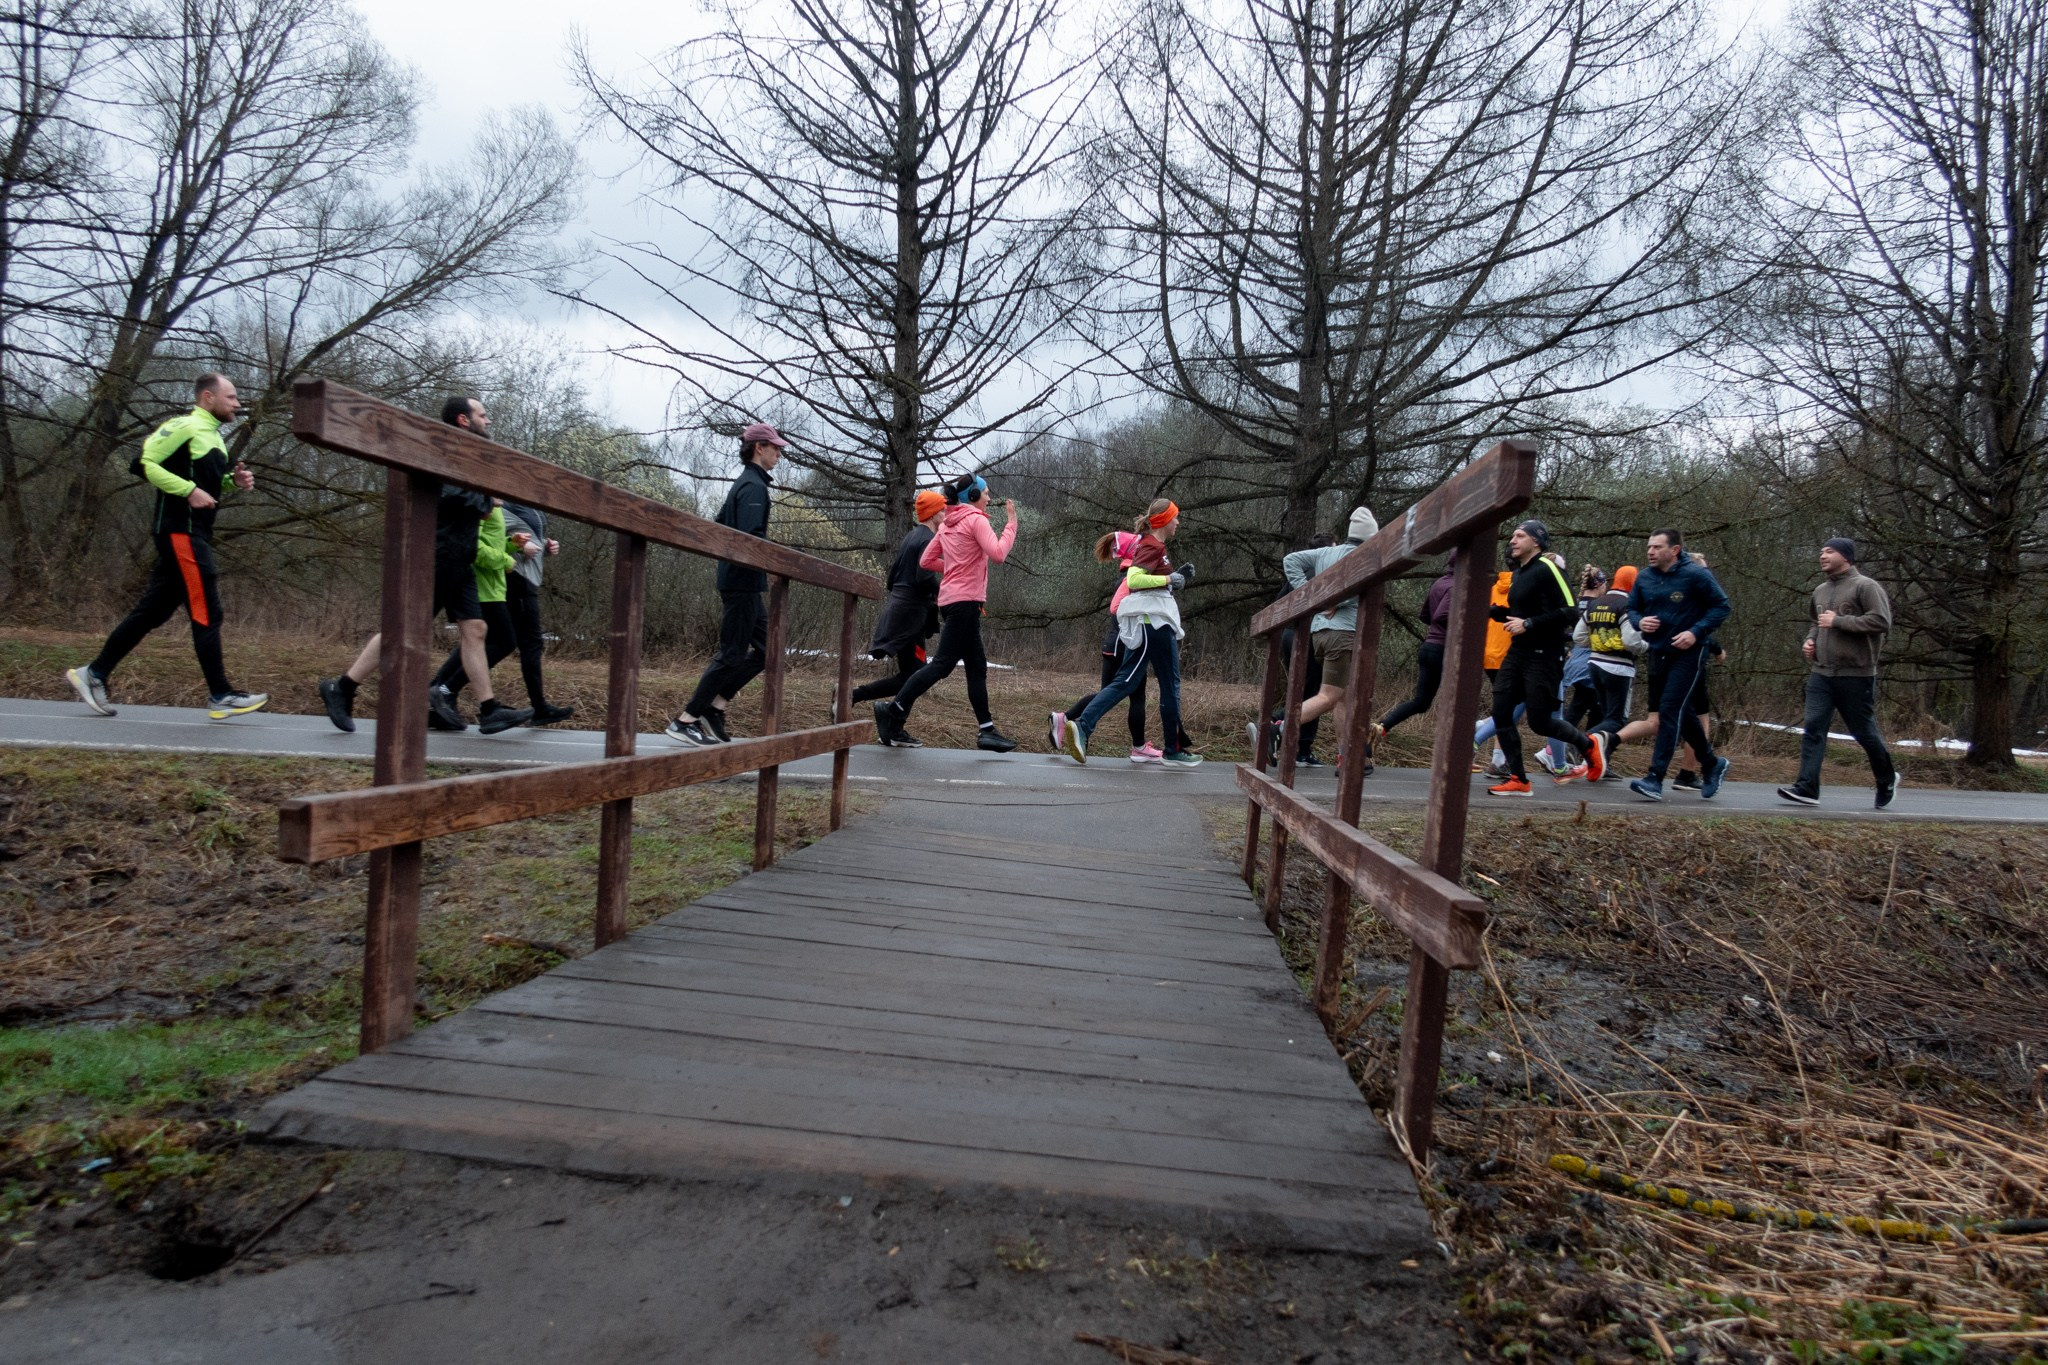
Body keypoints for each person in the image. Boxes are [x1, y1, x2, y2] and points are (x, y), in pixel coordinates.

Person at [316, 397, 529, 735]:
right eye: (482, 415)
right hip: (433, 557)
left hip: (461, 560)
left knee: (476, 630)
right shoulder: (442, 448)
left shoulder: (469, 457)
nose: (488, 422)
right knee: (401, 632)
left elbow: (476, 501)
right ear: (463, 420)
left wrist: (486, 500)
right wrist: (487, 500)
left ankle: (489, 709)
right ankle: (342, 688)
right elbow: (451, 494)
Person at [66, 373, 269, 721]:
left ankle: (94, 673)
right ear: (208, 397)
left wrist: (231, 482)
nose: (238, 404)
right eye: (232, 397)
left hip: (195, 533)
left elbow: (209, 485)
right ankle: (221, 695)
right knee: (207, 611)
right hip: (180, 532)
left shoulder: (213, 438)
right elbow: (143, 464)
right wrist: (187, 490)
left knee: (152, 613)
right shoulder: (184, 426)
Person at [873, 473, 1020, 752]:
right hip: (965, 602)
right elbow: (999, 553)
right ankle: (894, 710)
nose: (989, 498)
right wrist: (1011, 524)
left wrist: (955, 566)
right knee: (941, 665)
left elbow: (928, 560)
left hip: (952, 601)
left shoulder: (947, 524)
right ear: (974, 497)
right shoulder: (976, 520)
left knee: (976, 666)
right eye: (986, 493)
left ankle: (986, 730)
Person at [668, 422, 786, 747]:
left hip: (744, 581)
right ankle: (686, 719)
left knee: (768, 650)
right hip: (741, 581)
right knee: (732, 653)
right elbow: (750, 539)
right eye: (774, 447)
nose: (779, 452)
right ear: (758, 448)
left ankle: (715, 707)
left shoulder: (745, 484)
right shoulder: (752, 487)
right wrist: (784, 559)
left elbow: (722, 524)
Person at [1059, 498, 1199, 767]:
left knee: (1132, 682)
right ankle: (1170, 749)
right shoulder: (1151, 545)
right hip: (1153, 626)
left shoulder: (1155, 547)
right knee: (1157, 684)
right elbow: (1134, 580)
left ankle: (1087, 727)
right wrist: (1170, 578)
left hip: (1154, 625)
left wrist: (1175, 577)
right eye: (1175, 517)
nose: (1178, 522)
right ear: (1163, 521)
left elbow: (1152, 583)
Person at [1485, 521, 1607, 795]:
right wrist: (1495, 612)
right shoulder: (1519, 574)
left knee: (1540, 722)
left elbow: (1570, 612)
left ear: (1537, 541)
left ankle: (1588, 746)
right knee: (1501, 712)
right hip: (1518, 652)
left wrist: (1529, 624)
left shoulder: (1548, 568)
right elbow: (1518, 615)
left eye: (1520, 536)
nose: (1513, 540)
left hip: (1544, 655)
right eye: (1513, 536)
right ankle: (1519, 778)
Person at [1778, 537, 1900, 809]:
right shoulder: (1820, 590)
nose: (1822, 556)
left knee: (1863, 732)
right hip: (1821, 673)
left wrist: (1839, 621)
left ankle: (1886, 777)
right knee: (1813, 728)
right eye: (1821, 551)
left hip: (1856, 674)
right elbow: (1816, 622)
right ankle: (1807, 788)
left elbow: (1881, 621)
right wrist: (1811, 641)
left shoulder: (1865, 586)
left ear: (1846, 556)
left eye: (1829, 552)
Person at [1254, 508, 1379, 766]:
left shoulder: (1327, 552)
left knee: (1343, 697)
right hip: (1343, 633)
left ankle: (1349, 757)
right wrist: (1329, 600)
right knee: (1329, 696)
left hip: (1320, 633)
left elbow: (1290, 560)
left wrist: (1312, 597)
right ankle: (1277, 729)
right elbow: (1359, 588)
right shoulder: (1362, 556)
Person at [426, 500, 557, 726]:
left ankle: (448, 698)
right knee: (501, 641)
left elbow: (488, 540)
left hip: (492, 585)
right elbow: (471, 544)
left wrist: (512, 545)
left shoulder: (496, 503)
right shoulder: (479, 500)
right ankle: (444, 693)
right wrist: (507, 558)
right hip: (481, 583)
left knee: (481, 640)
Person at [1624, 527, 1730, 801]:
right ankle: (1711, 763)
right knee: (1681, 714)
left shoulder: (1696, 574)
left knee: (1670, 712)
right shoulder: (1644, 577)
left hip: (1689, 654)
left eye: (1657, 547)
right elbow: (1632, 608)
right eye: (1649, 546)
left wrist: (1695, 632)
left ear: (1675, 550)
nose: (1650, 551)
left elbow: (1721, 606)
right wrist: (1639, 622)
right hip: (1658, 652)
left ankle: (1654, 778)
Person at [1051, 527, 1173, 764]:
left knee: (1113, 692)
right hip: (1123, 642)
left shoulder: (1127, 573)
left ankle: (1065, 718)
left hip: (1118, 642)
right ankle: (1131, 745)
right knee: (1125, 694)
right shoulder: (1134, 577)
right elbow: (1117, 609)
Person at [853, 489, 946, 746]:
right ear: (933, 514)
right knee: (917, 675)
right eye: (943, 510)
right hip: (910, 620)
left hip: (903, 614)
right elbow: (923, 577)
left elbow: (892, 579)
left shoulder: (911, 538)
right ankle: (890, 724)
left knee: (910, 676)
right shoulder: (927, 539)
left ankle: (869, 708)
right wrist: (944, 592)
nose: (947, 513)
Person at [495, 499, 572, 724]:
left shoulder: (530, 503)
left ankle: (443, 690)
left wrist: (546, 547)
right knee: (526, 642)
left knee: (496, 641)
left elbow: (526, 535)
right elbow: (484, 534)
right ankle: (443, 690)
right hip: (516, 578)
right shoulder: (504, 501)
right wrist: (514, 543)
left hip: (526, 578)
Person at [1374, 551, 1457, 746]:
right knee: (1460, 703)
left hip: (1429, 647)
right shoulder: (1458, 586)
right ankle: (1458, 753)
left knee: (1421, 703)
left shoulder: (1440, 582)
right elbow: (1440, 616)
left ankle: (1379, 728)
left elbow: (1426, 616)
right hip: (1445, 650)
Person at [1577, 563, 1643, 750]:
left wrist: (1599, 642)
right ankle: (1576, 744)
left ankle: (1601, 762)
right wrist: (1648, 645)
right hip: (1619, 667)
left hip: (1594, 665)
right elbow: (1632, 642)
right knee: (1616, 721)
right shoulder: (1627, 606)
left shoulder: (1596, 603)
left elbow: (1578, 637)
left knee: (1607, 717)